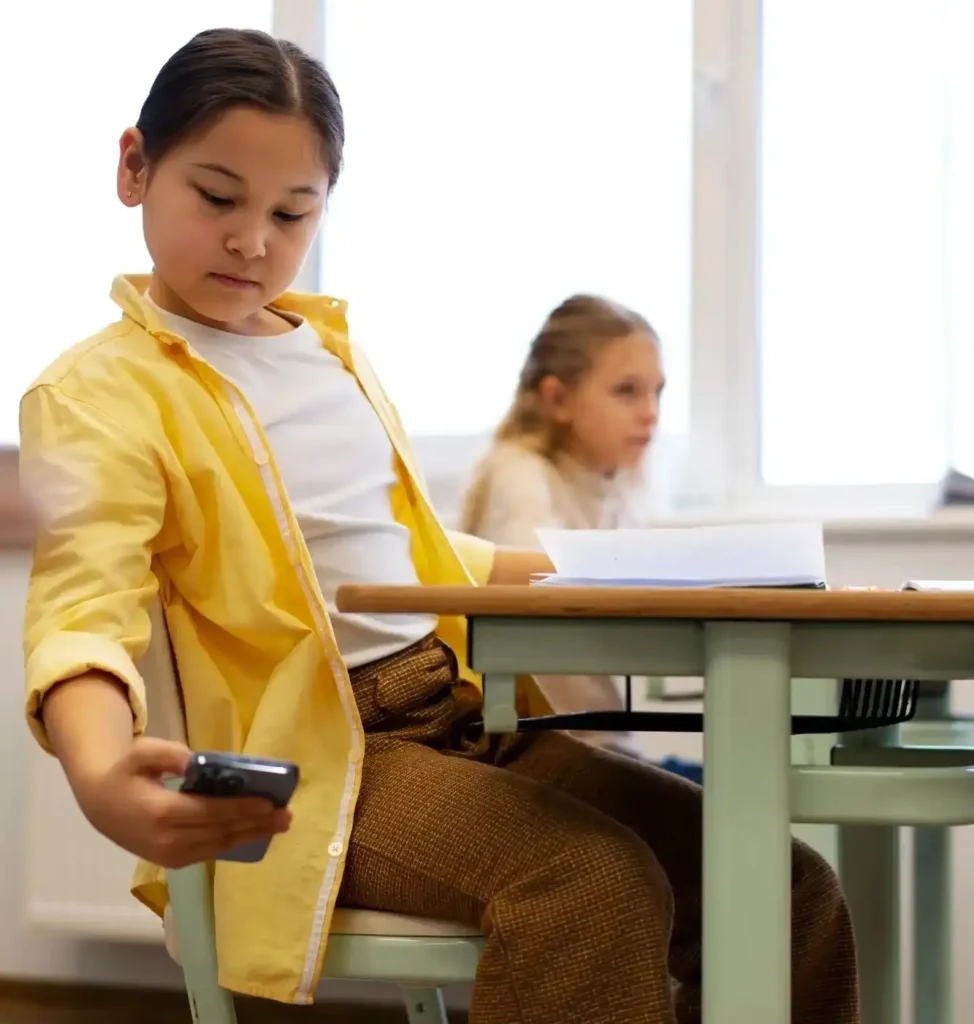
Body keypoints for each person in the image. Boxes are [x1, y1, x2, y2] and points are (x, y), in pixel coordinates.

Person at [20, 28, 858, 1024]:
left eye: (293, 212)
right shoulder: (99, 391)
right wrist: (101, 770)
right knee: (588, 887)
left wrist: (647, 566)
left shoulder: (326, 351)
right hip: (337, 754)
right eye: (217, 197)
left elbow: (406, 555)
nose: (254, 240)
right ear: (133, 166)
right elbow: (85, 601)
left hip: (465, 710)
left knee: (779, 881)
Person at [460, 296, 660, 753]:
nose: (650, 411)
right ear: (558, 399)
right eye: (627, 391)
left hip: (600, 740)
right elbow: (547, 587)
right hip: (541, 747)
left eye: (657, 391)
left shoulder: (616, 484)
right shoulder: (520, 474)